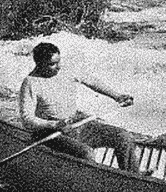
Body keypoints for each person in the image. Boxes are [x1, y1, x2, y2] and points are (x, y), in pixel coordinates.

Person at [18, 42, 145, 173]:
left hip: (75, 123)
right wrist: (54, 124)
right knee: (86, 153)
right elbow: (27, 119)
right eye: (52, 64)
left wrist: (117, 96)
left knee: (123, 137)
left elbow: (93, 82)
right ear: (40, 64)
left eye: (59, 61)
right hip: (51, 132)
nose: (58, 67)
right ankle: (92, 181)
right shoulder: (30, 82)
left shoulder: (67, 70)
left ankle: (133, 176)